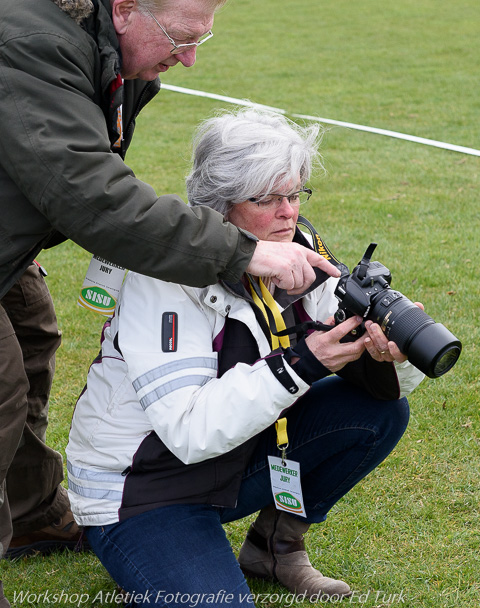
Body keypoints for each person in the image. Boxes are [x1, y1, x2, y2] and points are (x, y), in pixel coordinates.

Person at [0, 0, 338, 594]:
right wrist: (245, 254)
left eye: (201, 41)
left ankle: (34, 516)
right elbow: (91, 192)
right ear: (124, 10)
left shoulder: (87, 19)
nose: (188, 58)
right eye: (181, 37)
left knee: (31, 343)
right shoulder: (28, 38)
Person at [66, 108, 425, 605]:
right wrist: (302, 363)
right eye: (266, 199)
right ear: (220, 205)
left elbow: (360, 373)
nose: (288, 213)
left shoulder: (298, 249)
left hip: (232, 460)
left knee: (378, 410)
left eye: (295, 194)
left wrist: (388, 357)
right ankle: (156, 560)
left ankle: (274, 548)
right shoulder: (166, 277)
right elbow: (189, 432)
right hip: (142, 488)